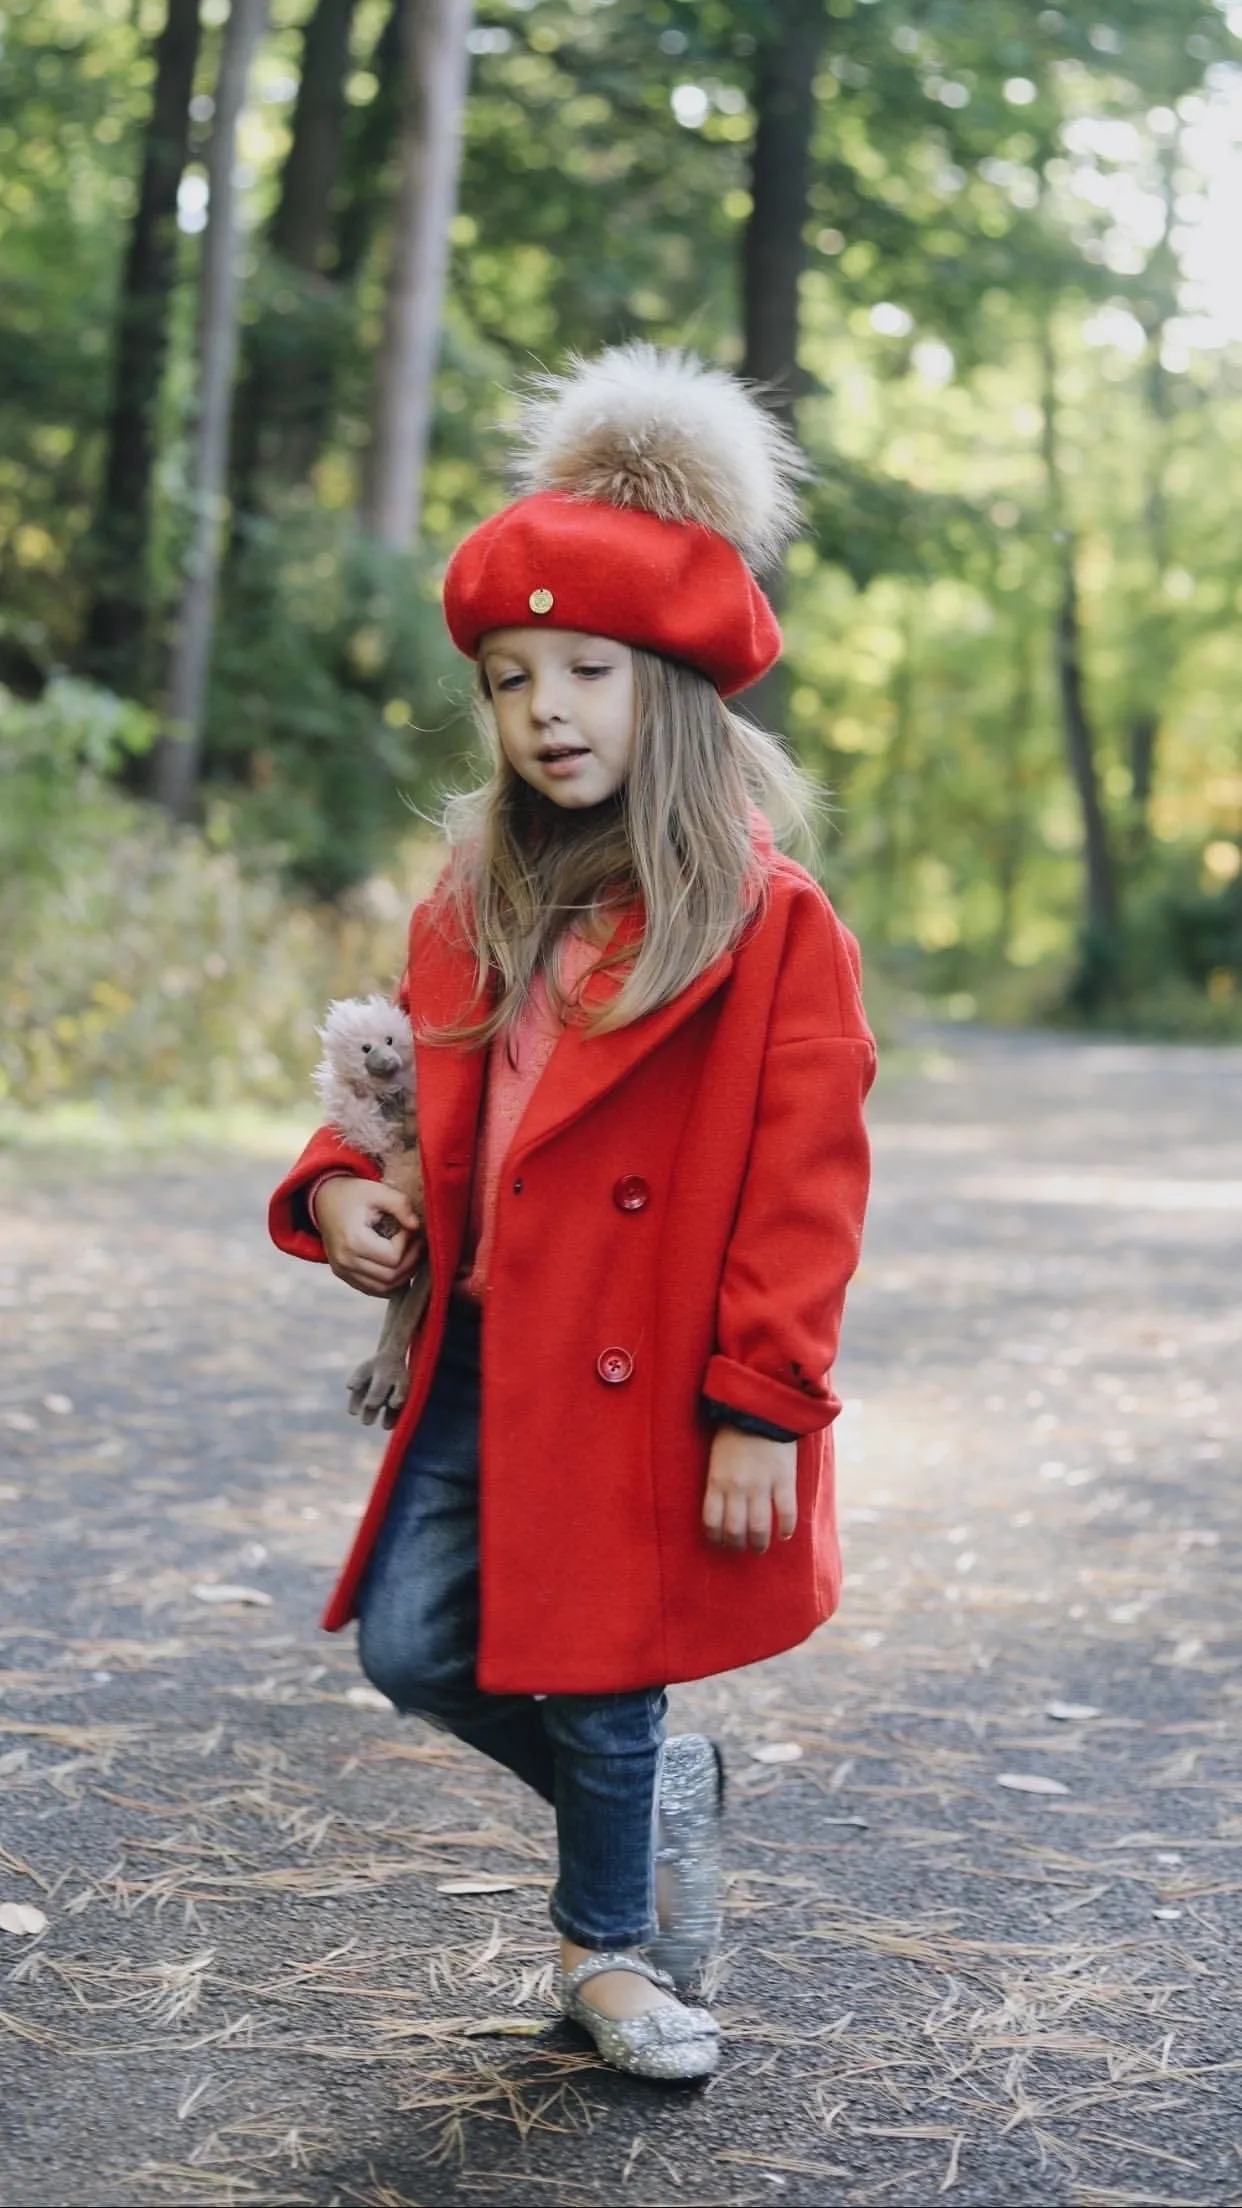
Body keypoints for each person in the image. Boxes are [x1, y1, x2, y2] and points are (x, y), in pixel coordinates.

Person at [269, 346, 875, 2081]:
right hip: (479, 1351)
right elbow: (398, 1100)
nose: (547, 707)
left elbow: (805, 1192)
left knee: (603, 1681)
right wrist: (339, 1197)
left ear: (668, 687)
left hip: (644, 1373)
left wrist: (762, 1403)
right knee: (412, 1645)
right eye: (514, 675)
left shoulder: (768, 928)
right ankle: (653, 1802)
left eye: (588, 671)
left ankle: (605, 1956)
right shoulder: (471, 906)